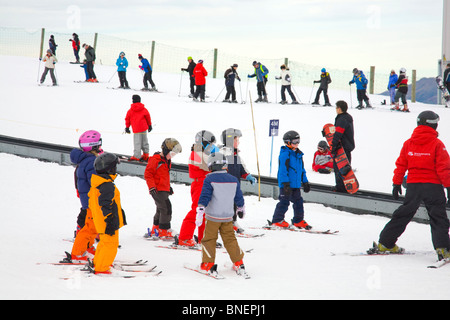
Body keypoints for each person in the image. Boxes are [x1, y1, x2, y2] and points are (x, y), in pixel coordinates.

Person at [373, 111, 450, 261]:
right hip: (432, 186)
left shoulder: (409, 143)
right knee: (438, 217)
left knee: (404, 214)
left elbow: (401, 164)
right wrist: (448, 187)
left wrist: (396, 183)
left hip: (413, 186)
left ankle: (385, 243)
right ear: (433, 124)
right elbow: (444, 168)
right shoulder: (437, 144)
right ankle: (443, 249)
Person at [196, 152, 249, 277]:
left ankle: (208, 264)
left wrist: (200, 209)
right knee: (230, 240)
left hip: (213, 217)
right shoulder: (233, 180)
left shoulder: (209, 179)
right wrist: (241, 208)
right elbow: (239, 197)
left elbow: (205, 196)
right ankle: (238, 262)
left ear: (211, 166)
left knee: (209, 240)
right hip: (227, 217)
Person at [177, 131, 219, 247]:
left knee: (205, 213)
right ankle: (184, 238)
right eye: (209, 144)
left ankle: (204, 239)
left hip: (206, 184)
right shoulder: (196, 153)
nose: (211, 146)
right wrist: (215, 155)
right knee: (197, 210)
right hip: (199, 184)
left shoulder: (202, 153)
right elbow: (209, 166)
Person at [88, 152, 127, 274]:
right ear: (110, 169)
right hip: (107, 222)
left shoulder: (98, 183)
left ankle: (99, 262)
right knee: (111, 244)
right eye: (115, 167)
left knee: (105, 243)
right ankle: (102, 267)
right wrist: (110, 218)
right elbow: (105, 204)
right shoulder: (106, 185)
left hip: (101, 221)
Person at [68, 130, 103, 262]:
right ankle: (77, 252)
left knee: (92, 227)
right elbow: (94, 181)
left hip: (89, 198)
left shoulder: (87, 160)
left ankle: (87, 247)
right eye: (99, 145)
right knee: (89, 228)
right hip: (91, 199)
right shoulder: (91, 162)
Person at [271, 130, 311, 229]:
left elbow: (302, 170)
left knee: (299, 202)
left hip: (296, 185)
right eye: (294, 141)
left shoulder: (298, 155)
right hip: (286, 185)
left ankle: (298, 220)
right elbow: (282, 171)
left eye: (298, 141)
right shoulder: (285, 154)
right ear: (288, 142)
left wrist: (305, 181)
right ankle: (277, 220)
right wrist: (285, 183)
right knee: (284, 202)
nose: (297, 143)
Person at [144, 138, 182, 240]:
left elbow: (164, 175)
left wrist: (168, 187)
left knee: (160, 209)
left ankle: (155, 228)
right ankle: (164, 230)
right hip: (156, 190)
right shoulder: (155, 160)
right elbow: (148, 174)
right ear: (165, 150)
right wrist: (151, 187)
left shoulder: (166, 160)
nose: (172, 156)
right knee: (166, 208)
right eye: (171, 154)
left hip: (163, 189)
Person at [220, 128, 256, 233]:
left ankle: (233, 222)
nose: (238, 142)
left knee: (234, 204)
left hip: (235, 186)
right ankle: (223, 224)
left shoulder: (236, 155)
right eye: (236, 140)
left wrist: (248, 176)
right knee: (226, 206)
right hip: (225, 186)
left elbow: (241, 168)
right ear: (230, 140)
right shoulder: (223, 154)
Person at [330, 100, 355, 193]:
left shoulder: (341, 119)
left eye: (336, 108)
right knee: (345, 168)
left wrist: (333, 146)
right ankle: (345, 186)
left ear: (339, 109)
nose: (336, 109)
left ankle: (341, 188)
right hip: (348, 146)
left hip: (342, 148)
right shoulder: (348, 117)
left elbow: (338, 134)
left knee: (339, 167)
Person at [124, 95, 152, 161]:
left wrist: (127, 127)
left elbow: (127, 119)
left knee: (137, 142)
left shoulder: (130, 110)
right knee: (144, 141)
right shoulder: (144, 109)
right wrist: (149, 125)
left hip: (136, 129)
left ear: (133, 100)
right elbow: (148, 117)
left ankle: (137, 156)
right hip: (144, 128)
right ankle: (146, 154)